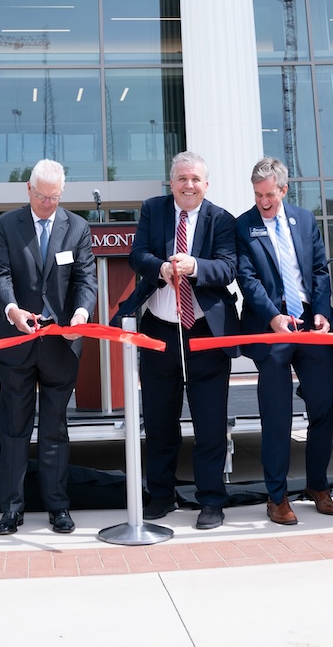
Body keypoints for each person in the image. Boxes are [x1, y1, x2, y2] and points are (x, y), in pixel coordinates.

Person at [114, 151, 239, 530]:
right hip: (159, 330)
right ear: (171, 183)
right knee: (159, 419)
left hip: (204, 332)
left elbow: (228, 267)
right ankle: (162, 495)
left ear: (206, 184)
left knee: (210, 422)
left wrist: (195, 266)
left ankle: (212, 501)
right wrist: (163, 267)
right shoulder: (153, 210)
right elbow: (138, 255)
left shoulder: (222, 219)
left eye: (195, 179)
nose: (188, 185)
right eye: (182, 178)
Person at [0, 159, 97, 535]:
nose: (49, 203)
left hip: (60, 345)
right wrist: (12, 309)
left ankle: (58, 507)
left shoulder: (78, 227)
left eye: (55, 197)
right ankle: (11, 509)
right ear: (28, 190)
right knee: (14, 429)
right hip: (16, 340)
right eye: (42, 196)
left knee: (54, 429)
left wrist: (81, 313)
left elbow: (86, 279)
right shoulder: (7, 225)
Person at [236, 157, 333, 525]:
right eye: (258, 195)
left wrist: (322, 311)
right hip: (272, 326)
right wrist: (273, 316)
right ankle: (277, 496)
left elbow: (318, 270)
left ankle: (318, 485)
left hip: (310, 324)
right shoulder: (243, 226)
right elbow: (247, 280)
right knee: (277, 416)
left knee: (325, 406)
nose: (263, 202)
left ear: (284, 189)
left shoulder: (304, 219)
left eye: (269, 194)